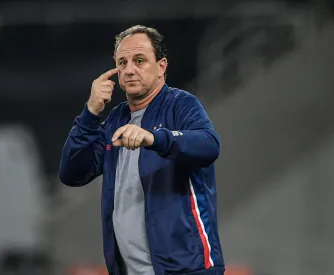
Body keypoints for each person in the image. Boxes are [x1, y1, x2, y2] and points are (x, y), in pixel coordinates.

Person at [58, 25, 225, 275]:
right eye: (122, 63)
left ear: (161, 66)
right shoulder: (116, 119)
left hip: (186, 269)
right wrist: (90, 112)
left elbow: (209, 144)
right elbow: (72, 173)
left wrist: (155, 138)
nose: (129, 70)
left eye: (139, 60)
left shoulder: (181, 104)